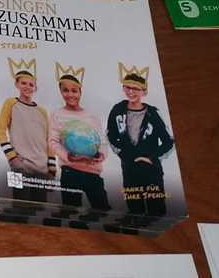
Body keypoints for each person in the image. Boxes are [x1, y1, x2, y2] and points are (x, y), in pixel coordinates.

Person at [106, 63, 175, 217]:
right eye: (128, 87)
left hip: (152, 171)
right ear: (123, 88)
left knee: (156, 211)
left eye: (136, 88)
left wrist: (151, 158)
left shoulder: (153, 113)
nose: (131, 91)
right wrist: (126, 156)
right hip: (129, 170)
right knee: (135, 210)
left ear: (144, 91)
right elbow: (111, 135)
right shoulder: (117, 110)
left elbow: (169, 141)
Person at [48, 62, 110, 211]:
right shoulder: (57, 114)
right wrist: (69, 156)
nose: (70, 94)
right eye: (65, 90)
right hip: (70, 172)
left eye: (74, 91)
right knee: (71, 212)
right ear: (61, 92)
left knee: (103, 211)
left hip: (93, 171)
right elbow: (53, 141)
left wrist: (101, 155)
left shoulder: (92, 116)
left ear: (80, 92)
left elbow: (102, 142)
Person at [0, 58, 55, 202]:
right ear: (16, 84)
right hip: (19, 165)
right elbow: (0, 130)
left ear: (35, 88)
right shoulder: (10, 103)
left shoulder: (42, 111)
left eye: (31, 84)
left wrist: (52, 169)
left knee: (40, 206)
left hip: (41, 168)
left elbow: (49, 140)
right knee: (20, 204)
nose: (27, 87)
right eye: (23, 83)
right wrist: (12, 157)